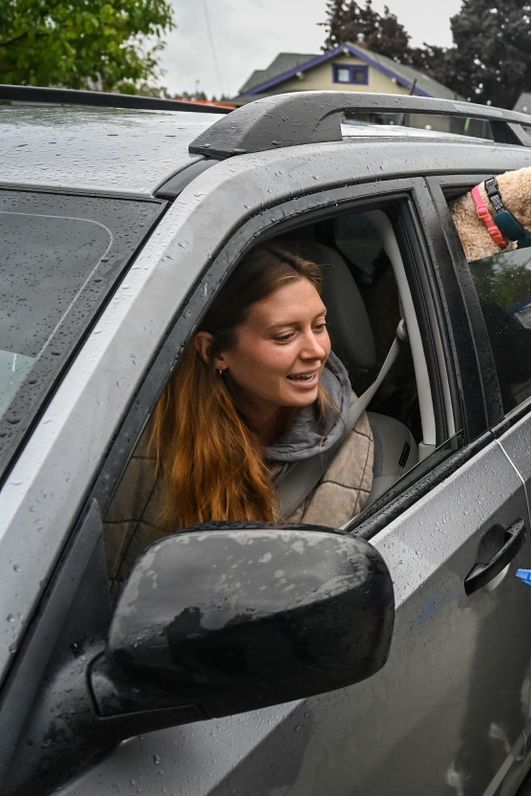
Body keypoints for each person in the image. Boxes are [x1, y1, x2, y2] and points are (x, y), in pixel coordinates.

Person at [103, 243, 376, 593]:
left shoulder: (343, 434)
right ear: (214, 352)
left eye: (319, 326)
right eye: (285, 336)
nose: (317, 350)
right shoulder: (140, 439)